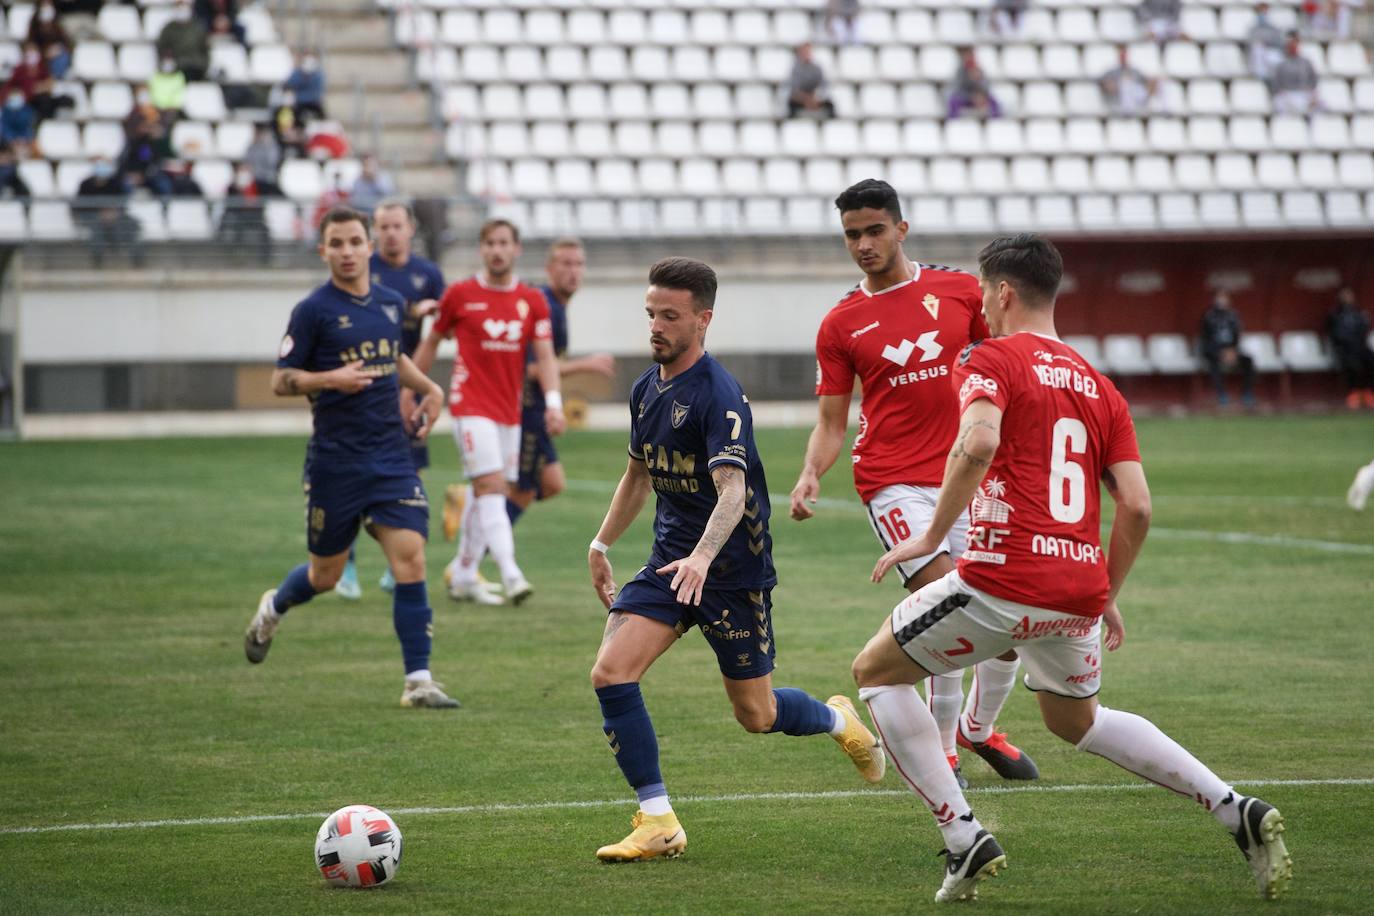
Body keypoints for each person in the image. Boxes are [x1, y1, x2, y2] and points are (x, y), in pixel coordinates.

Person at [851, 233, 1292, 903]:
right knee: (1074, 722)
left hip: (1000, 577)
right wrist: (1105, 592)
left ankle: (963, 836)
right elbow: (1137, 507)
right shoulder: (1099, 385)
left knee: (875, 674)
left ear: (1001, 293)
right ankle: (1235, 808)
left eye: (985, 294)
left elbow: (978, 439)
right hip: (1077, 586)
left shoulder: (989, 357)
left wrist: (932, 536)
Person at [587, 256, 885, 863]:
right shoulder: (647, 389)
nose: (656, 326)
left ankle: (837, 722)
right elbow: (637, 476)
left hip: (731, 572)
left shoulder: (718, 397)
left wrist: (703, 558)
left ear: (703, 319)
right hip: (675, 563)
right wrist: (600, 544)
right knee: (611, 672)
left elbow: (734, 492)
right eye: (651, 313)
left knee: (757, 713)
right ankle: (657, 819)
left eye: (670, 316)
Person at [790, 179, 1036, 790]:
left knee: (1001, 625)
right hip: (892, 481)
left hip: (967, 475)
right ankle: (945, 748)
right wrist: (810, 473)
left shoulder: (958, 292)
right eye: (852, 235)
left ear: (902, 228)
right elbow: (830, 420)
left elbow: (1007, 364)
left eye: (875, 230)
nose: (864, 244)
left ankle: (977, 730)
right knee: (950, 601)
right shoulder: (841, 323)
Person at [241, 206, 461, 710]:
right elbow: (280, 380)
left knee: (411, 560)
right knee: (326, 576)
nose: (346, 252)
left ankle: (418, 682)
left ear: (368, 247)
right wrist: (328, 380)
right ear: (323, 251)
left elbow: (393, 358)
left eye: (354, 242)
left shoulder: (388, 302)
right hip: (335, 464)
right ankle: (272, 608)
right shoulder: (313, 310)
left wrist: (429, 387)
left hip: (391, 457)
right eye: (335, 243)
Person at [413, 219, 566, 605]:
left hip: (508, 411)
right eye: (490, 243)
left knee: (486, 491)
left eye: (504, 243)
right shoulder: (460, 295)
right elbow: (433, 341)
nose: (497, 250)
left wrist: (553, 404)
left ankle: (464, 573)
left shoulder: (532, 300)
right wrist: (409, 389)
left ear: (516, 249)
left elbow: (546, 357)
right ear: (482, 249)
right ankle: (511, 573)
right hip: (470, 406)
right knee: (493, 487)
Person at [337, 198, 449, 597]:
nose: (389, 233)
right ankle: (345, 567)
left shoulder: (428, 274)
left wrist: (435, 315)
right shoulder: (367, 273)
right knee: (352, 477)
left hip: (410, 386)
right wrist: (413, 312)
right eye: (382, 227)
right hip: (366, 388)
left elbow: (444, 329)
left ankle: (394, 564)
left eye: (396, 225)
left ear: (410, 229)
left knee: (409, 474)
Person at [505, 237, 615, 531]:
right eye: (566, 263)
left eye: (579, 264)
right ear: (549, 268)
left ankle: (481, 507)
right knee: (524, 489)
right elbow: (530, 369)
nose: (573, 271)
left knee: (551, 483)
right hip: (526, 411)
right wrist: (585, 365)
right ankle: (469, 558)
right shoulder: (546, 307)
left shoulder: (556, 307)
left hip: (537, 408)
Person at [74, 159, 141, 266]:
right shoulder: (85, 184)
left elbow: (122, 202)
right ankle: (98, 259)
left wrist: (114, 212)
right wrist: (99, 213)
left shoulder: (114, 182)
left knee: (133, 224)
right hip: (91, 216)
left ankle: (136, 256)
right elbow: (80, 205)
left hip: (114, 216)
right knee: (96, 228)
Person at [1199, 290, 1256, 408]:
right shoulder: (1209, 316)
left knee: (1248, 360)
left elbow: (1237, 335)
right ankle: (1221, 394)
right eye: (1219, 298)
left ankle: (1247, 393)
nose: (1222, 301)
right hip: (1213, 351)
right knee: (1213, 363)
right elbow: (1205, 338)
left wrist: (1232, 350)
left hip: (1231, 350)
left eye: (1224, 298)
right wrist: (1220, 352)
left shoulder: (1233, 315)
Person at [1327, 287, 1374, 409]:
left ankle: (1368, 392)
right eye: (1345, 296)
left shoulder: (1358, 312)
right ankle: (1353, 393)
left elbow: (1364, 329)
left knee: (1371, 361)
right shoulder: (1335, 314)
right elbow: (1335, 334)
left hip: (1360, 346)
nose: (1348, 298)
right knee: (1352, 365)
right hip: (1344, 349)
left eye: (1349, 295)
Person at [218, 161, 270, 262]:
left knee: (264, 231)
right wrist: (239, 189)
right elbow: (230, 203)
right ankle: (234, 256)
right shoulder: (232, 187)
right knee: (235, 226)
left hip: (255, 216)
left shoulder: (259, 185)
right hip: (238, 216)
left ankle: (265, 259)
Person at [156, 0, 210, 81]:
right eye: (180, 6)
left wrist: (203, 65)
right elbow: (162, 48)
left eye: (185, 6)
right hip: (177, 66)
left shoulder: (198, 28)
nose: (183, 9)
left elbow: (205, 50)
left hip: (196, 67)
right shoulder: (169, 29)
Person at [1099, 44, 1160, 115]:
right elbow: (1103, 82)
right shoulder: (1111, 71)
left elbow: (1145, 81)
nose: (1123, 57)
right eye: (1121, 55)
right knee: (1125, 83)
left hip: (1135, 94)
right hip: (1118, 98)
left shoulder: (1135, 70)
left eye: (1124, 55)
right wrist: (1113, 85)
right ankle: (1128, 109)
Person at [947, 47, 1001, 119]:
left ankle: (996, 122)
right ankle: (953, 122)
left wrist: (980, 90)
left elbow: (986, 87)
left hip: (980, 97)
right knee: (954, 101)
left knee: (994, 102)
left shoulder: (979, 70)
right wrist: (972, 97)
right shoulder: (960, 71)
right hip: (966, 98)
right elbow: (958, 88)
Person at [1271, 33, 1318, 114]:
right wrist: (1281, 91)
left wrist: (1311, 91)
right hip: (1287, 94)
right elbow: (1276, 82)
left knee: (1319, 104)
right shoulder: (1281, 64)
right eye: (1291, 46)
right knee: (1279, 103)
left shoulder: (1306, 62)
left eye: (1295, 45)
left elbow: (1313, 79)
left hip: (1303, 93)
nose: (1293, 48)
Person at [786, 43, 835, 119]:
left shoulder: (817, 68)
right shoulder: (795, 70)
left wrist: (816, 98)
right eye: (804, 52)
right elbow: (794, 90)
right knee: (791, 105)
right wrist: (807, 100)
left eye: (808, 52)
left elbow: (824, 86)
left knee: (830, 105)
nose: (806, 54)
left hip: (816, 98)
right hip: (801, 100)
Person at [1247, 3, 1286, 86]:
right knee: (1257, 48)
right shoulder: (1253, 28)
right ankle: (1260, 80)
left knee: (1278, 58)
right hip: (1259, 54)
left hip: (1271, 52)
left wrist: (1268, 43)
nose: (1262, 14)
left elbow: (1279, 43)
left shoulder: (1274, 28)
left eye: (1264, 11)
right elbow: (1251, 42)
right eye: (1260, 11)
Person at [284, 51, 326, 120]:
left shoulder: (318, 76)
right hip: (299, 103)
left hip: (313, 103)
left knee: (321, 117)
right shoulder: (296, 74)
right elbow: (289, 86)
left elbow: (318, 91)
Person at [244, 124, 282, 196]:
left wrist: (267, 145)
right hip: (256, 179)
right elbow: (247, 161)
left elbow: (272, 161)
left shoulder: (272, 147)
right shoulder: (252, 147)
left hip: (270, 180)